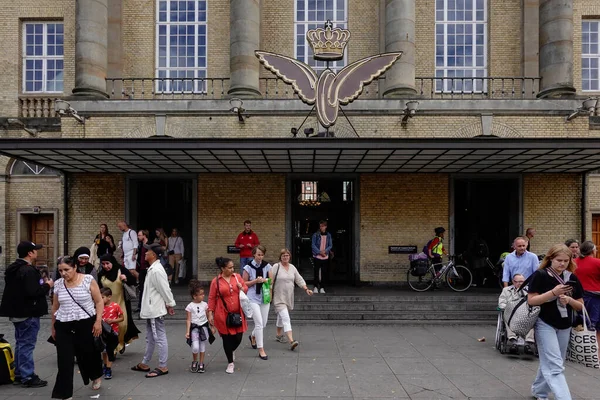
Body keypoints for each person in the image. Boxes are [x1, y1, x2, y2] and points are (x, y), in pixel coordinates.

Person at [528, 244, 584, 400]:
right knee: (555, 364)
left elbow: (580, 306)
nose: (562, 264)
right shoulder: (540, 275)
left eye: (566, 260)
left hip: (565, 324)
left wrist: (569, 300)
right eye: (559, 260)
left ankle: (539, 391)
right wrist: (553, 293)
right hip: (544, 322)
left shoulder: (572, 277)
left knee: (550, 360)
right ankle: (564, 397)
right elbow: (531, 301)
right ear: (550, 258)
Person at [0, 241, 53, 388]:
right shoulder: (28, 270)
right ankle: (27, 376)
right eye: (35, 250)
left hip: (17, 312)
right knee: (26, 345)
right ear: (30, 253)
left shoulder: (14, 268)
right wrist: (48, 285)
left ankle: (19, 373)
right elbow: (33, 292)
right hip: (27, 313)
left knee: (20, 343)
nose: (37, 252)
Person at [51, 256, 104, 399]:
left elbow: (99, 302)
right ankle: (65, 393)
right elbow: (55, 307)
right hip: (64, 324)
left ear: (75, 267)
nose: (63, 273)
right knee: (64, 360)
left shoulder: (88, 280)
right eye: (60, 270)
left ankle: (95, 375)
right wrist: (53, 327)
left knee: (88, 354)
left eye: (66, 270)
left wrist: (98, 321)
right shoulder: (58, 284)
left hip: (85, 323)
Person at [131, 243, 176, 378]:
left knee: (159, 337)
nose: (145, 253)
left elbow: (165, 288)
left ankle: (163, 366)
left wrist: (170, 303)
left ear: (154, 255)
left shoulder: (156, 270)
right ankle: (145, 362)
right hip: (152, 309)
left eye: (147, 252)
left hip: (155, 310)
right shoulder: (153, 268)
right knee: (150, 337)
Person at [207, 257, 248, 374]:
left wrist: (242, 287)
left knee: (238, 337)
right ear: (222, 268)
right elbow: (211, 298)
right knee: (227, 338)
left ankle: (231, 350)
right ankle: (230, 362)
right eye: (229, 268)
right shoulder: (216, 281)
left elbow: (245, 288)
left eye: (232, 267)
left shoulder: (237, 277)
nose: (232, 269)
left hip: (238, 312)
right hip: (222, 313)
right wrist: (210, 312)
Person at [97, 254, 140, 354]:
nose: (105, 266)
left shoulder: (121, 270)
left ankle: (120, 343)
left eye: (107, 263)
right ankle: (114, 347)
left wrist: (126, 279)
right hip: (107, 305)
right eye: (103, 264)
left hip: (121, 302)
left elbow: (133, 281)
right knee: (109, 326)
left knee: (122, 325)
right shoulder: (101, 275)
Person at [271, 248, 313, 350]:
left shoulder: (292, 267)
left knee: (281, 316)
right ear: (280, 257)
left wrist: (306, 289)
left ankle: (278, 335)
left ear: (290, 257)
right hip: (278, 296)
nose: (285, 257)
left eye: (287, 255)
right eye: (283, 256)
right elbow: (270, 281)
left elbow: (299, 279)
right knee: (285, 317)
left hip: (288, 296)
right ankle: (291, 340)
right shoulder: (276, 267)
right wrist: (269, 293)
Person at [242, 245, 272, 360]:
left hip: (264, 296)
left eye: (262, 255)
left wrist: (265, 280)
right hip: (252, 297)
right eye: (258, 254)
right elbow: (244, 283)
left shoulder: (267, 266)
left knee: (263, 323)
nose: (260, 257)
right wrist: (255, 281)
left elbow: (271, 281)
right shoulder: (248, 267)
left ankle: (253, 336)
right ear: (253, 254)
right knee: (259, 323)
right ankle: (261, 349)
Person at [497, 273, 535, 354]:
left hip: (525, 314)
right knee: (508, 319)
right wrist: (509, 308)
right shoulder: (506, 290)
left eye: (522, 281)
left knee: (532, 320)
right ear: (513, 282)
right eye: (517, 281)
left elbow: (534, 303)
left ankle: (528, 342)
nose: (519, 283)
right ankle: (513, 340)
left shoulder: (530, 290)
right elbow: (501, 303)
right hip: (511, 313)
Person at [574, 240, 600, 345]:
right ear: (593, 251)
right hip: (595, 298)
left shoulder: (574, 262)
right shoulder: (597, 262)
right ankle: (596, 353)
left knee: (580, 323)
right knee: (595, 326)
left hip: (577, 297)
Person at [185, 280, 214, 373]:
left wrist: (212, 327)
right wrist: (187, 331)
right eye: (201, 294)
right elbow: (189, 319)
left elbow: (208, 316)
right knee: (195, 347)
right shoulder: (190, 306)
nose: (203, 295)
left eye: (203, 294)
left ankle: (201, 363)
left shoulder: (205, 305)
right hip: (194, 329)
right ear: (195, 296)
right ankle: (195, 361)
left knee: (202, 346)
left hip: (204, 328)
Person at [100, 287, 123, 380]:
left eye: (102, 297)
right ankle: (105, 365)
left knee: (110, 350)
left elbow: (122, 318)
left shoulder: (115, 306)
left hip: (112, 332)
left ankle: (108, 368)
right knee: (103, 350)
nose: (100, 299)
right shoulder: (99, 306)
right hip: (102, 332)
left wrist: (113, 320)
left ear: (109, 297)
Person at [311, 220, 332, 294]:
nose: (321, 227)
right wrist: (320, 252)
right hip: (317, 256)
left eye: (322, 226)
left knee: (324, 272)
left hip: (325, 256)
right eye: (320, 226)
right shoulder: (315, 235)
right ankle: (316, 287)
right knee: (316, 272)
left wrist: (325, 251)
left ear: (326, 226)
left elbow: (330, 245)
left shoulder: (328, 235)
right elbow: (313, 245)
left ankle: (322, 287)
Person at [136, 229, 151, 312]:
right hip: (141, 268)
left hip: (147, 269)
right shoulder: (141, 244)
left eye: (139, 235)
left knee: (147, 287)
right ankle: (140, 306)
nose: (138, 237)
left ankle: (145, 306)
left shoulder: (149, 244)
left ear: (144, 235)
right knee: (141, 288)